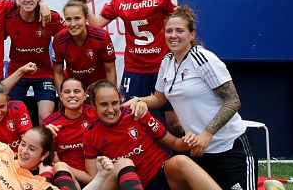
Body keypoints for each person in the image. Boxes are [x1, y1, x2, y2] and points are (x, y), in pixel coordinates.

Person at [124, 6, 256, 190]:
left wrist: (206, 135)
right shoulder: (167, 61)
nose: (173, 35)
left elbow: (233, 100)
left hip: (230, 147)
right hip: (198, 151)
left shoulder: (203, 59)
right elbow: (159, 99)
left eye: (180, 30)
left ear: (192, 35)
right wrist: (139, 100)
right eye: (169, 31)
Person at [69, 0, 181, 132]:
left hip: (163, 66)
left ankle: (185, 155)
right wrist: (82, 0)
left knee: (175, 122)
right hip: (134, 68)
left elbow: (181, 25)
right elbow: (96, 24)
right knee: (130, 116)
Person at [83, 80, 221, 189]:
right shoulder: (90, 134)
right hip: (127, 184)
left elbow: (174, 143)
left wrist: (190, 141)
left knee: (180, 161)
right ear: (94, 106)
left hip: (161, 175)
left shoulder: (137, 113)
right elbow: (95, 179)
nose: (111, 110)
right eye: (104, 104)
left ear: (120, 100)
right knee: (123, 163)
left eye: (114, 103)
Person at [5, 0, 63, 122]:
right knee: (13, 117)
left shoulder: (50, 17)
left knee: (46, 118)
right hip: (17, 72)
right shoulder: (9, 18)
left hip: (43, 73)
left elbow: (68, 36)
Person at [53, 0, 117, 91]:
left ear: (86, 18)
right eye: (68, 19)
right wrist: (62, 96)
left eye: (77, 18)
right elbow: (58, 73)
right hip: (73, 88)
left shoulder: (101, 37)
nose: (73, 24)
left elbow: (110, 70)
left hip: (98, 87)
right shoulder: (59, 39)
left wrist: (110, 94)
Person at [42, 78, 97, 185]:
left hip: (97, 175)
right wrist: (45, 137)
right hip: (66, 175)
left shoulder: (95, 113)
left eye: (76, 91)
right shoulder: (50, 123)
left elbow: (118, 110)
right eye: (67, 92)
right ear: (61, 97)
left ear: (85, 95)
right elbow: (44, 157)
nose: (72, 95)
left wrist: (137, 101)